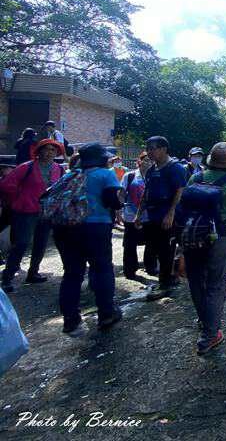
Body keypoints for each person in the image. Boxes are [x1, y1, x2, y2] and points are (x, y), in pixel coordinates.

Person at [183, 142, 226, 354]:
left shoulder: (196, 178)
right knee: (216, 285)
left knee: (196, 282)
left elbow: (184, 210)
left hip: (192, 236)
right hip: (219, 238)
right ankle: (210, 335)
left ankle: (205, 321)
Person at [52, 143, 123, 335]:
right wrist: (120, 202)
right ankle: (107, 313)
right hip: (95, 227)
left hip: (65, 229)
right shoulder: (105, 174)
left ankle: (70, 320)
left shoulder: (69, 175)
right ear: (100, 158)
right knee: (102, 269)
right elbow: (112, 201)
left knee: (72, 274)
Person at [0, 139, 65, 292]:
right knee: (21, 243)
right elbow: (5, 185)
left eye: (53, 150)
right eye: (47, 149)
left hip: (47, 213)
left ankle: (33, 273)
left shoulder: (59, 170)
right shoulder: (26, 167)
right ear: (39, 151)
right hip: (25, 211)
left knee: (41, 244)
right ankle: (7, 277)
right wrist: (20, 197)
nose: (50, 152)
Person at [135, 136, 186, 300]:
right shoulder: (151, 170)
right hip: (152, 217)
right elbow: (146, 192)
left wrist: (170, 213)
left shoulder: (175, 168)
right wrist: (139, 213)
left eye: (153, 148)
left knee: (167, 250)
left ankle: (165, 284)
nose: (149, 152)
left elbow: (179, 191)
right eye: (148, 148)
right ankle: (168, 278)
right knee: (156, 249)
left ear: (164, 149)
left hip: (168, 217)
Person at [121, 152, 156, 281]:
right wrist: (118, 211)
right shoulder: (129, 176)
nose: (148, 163)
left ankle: (150, 267)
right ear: (139, 161)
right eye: (146, 160)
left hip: (150, 217)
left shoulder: (155, 176)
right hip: (131, 216)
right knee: (130, 245)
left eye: (151, 160)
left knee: (151, 243)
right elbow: (121, 193)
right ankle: (130, 270)